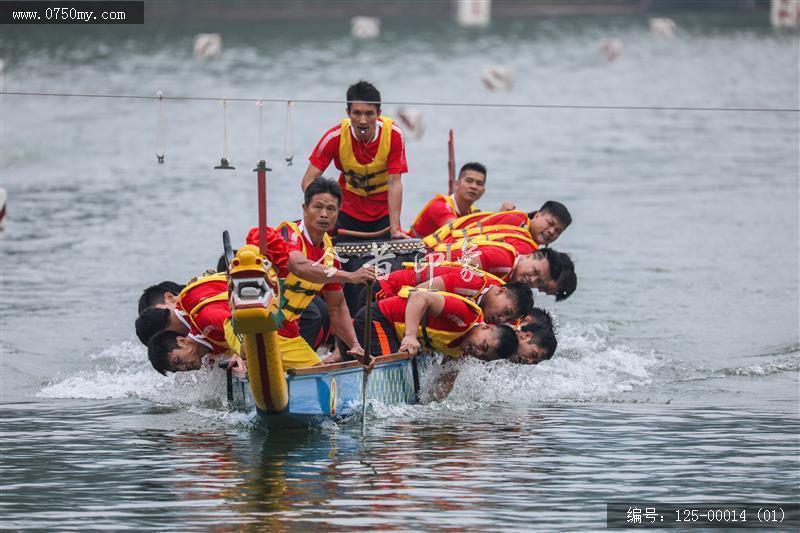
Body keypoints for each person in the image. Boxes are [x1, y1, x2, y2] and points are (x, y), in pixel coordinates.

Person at [248, 177, 376, 366]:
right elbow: (299, 267)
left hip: (287, 335)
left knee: (320, 377)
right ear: (305, 208)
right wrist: (350, 276)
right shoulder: (288, 233)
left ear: (338, 213)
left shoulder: (329, 253)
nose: (324, 214)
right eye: (318, 207)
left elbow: (337, 307)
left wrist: (355, 345)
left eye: (331, 209)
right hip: (255, 324)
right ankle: (243, 355)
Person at [300, 80, 409, 240]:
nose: (363, 121)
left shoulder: (394, 135)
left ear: (379, 113)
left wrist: (394, 229)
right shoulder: (334, 137)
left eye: (369, 113)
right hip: (346, 213)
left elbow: (394, 183)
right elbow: (308, 180)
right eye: (357, 113)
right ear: (348, 112)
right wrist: (323, 210)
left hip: (384, 216)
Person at [352, 288, 521, 361]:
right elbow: (420, 297)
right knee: (387, 370)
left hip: (390, 334)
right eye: (483, 346)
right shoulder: (465, 315)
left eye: (483, 357)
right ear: (486, 327)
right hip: (377, 318)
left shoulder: (460, 353)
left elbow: (445, 382)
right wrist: (410, 336)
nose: (477, 352)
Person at [409, 162, 515, 239]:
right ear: (457, 184)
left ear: (483, 191)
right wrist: (498, 216)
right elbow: (458, 232)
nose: (473, 186)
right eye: (469, 181)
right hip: (411, 255)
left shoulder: (473, 212)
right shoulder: (440, 206)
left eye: (479, 184)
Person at [424, 200, 572, 249]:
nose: (552, 232)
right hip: (433, 251)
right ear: (537, 215)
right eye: (550, 223)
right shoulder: (516, 222)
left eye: (558, 231)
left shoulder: (520, 224)